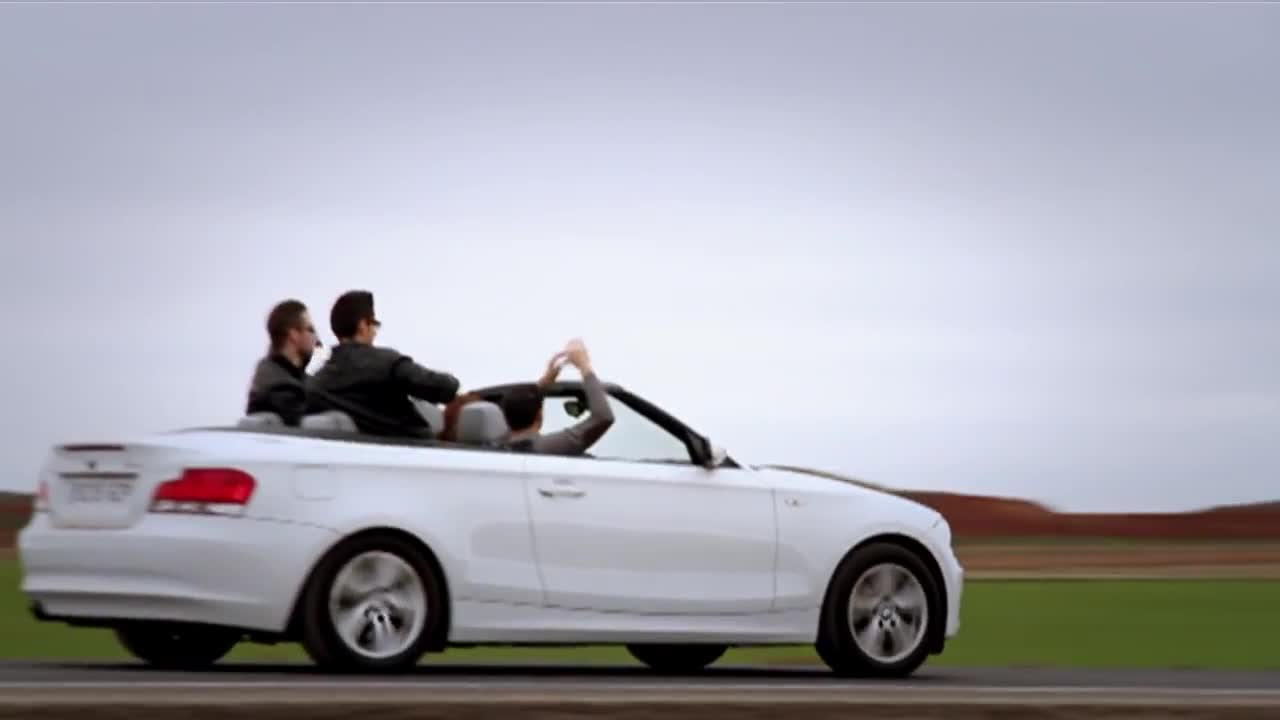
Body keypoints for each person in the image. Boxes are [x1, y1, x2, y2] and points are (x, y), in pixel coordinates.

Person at [306, 289, 461, 437]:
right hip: (416, 449)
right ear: (362, 326)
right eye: (374, 324)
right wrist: (452, 382)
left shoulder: (318, 383)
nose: (375, 332)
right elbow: (442, 387)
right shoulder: (387, 363)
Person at [501, 338, 614, 455]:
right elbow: (603, 418)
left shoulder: (494, 449)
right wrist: (584, 366)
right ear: (539, 416)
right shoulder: (548, 447)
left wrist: (544, 382)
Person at [244, 299, 321, 426]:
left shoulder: (293, 378)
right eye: (310, 330)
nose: (316, 339)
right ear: (294, 334)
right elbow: (303, 422)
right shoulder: (275, 384)